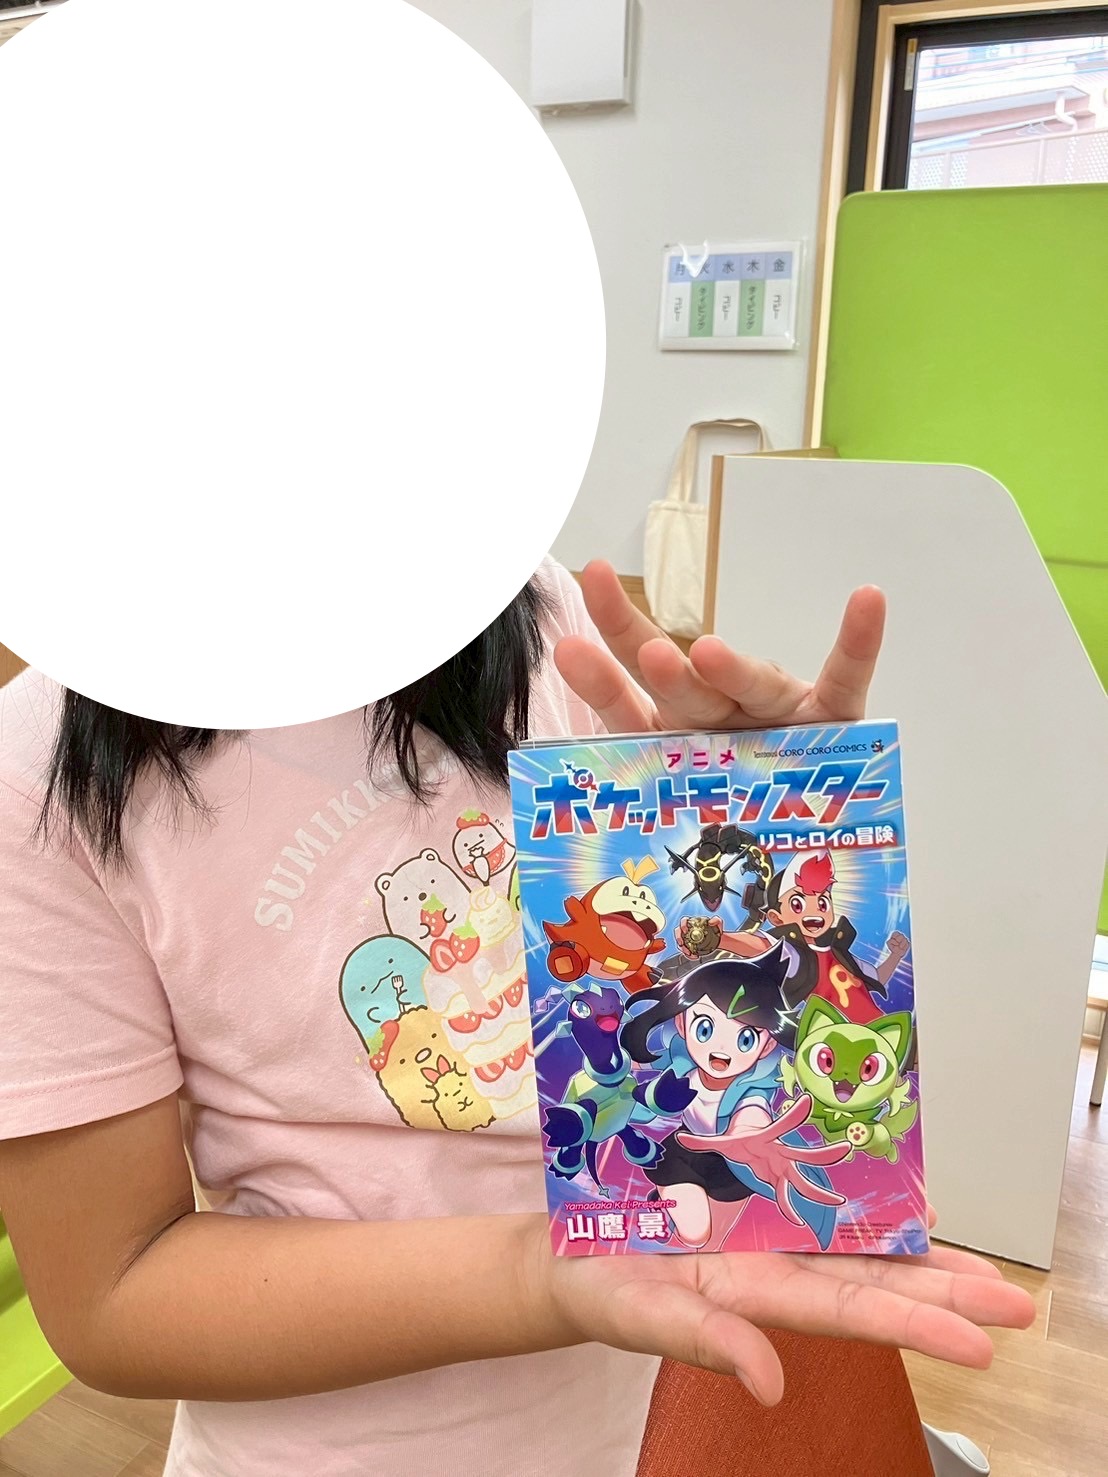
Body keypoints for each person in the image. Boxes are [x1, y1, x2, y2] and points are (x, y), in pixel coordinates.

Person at [0, 559, 1034, 1477]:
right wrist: (537, 1274)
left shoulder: (525, 603)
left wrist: (738, 836)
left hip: (664, 1391)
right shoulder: (37, 770)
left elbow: (652, 1008)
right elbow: (113, 1291)